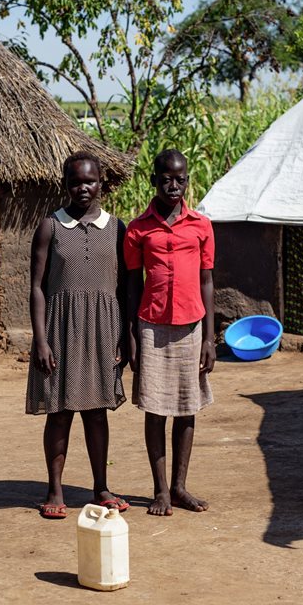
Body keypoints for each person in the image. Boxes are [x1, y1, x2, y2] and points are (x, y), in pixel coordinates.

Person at [26, 151, 128, 519]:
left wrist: (125, 336)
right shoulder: (50, 227)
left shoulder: (117, 228)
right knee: (60, 412)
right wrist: (40, 339)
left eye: (90, 181)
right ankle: (55, 489)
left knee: (97, 413)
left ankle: (101, 487)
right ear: (65, 183)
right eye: (75, 181)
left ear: (102, 182)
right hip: (59, 331)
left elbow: (126, 288)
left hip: (103, 330)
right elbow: (37, 287)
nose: (83, 188)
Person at [124, 148, 215, 516]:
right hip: (151, 326)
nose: (173, 185)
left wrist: (210, 337)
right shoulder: (137, 228)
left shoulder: (201, 226)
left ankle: (180, 486)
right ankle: (160, 490)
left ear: (187, 180)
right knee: (155, 409)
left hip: (192, 327)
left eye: (180, 179)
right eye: (166, 179)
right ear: (153, 180)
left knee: (187, 408)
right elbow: (131, 285)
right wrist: (130, 333)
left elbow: (207, 280)